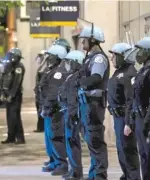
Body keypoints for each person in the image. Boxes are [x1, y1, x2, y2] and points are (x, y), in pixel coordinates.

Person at [127, 36, 150, 180]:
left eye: (140, 50)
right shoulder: (143, 71)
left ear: (149, 52)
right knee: (144, 155)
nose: (137, 54)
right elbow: (135, 98)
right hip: (140, 119)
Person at [77, 24, 109, 180]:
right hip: (87, 105)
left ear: (92, 40)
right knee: (91, 141)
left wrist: (80, 81)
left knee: (95, 141)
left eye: (84, 40)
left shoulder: (98, 58)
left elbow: (96, 78)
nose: (82, 43)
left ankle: (99, 176)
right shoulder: (89, 58)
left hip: (94, 106)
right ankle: (93, 175)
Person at [107, 43, 141, 180]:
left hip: (124, 118)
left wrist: (128, 122)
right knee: (121, 149)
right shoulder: (120, 71)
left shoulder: (129, 74)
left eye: (114, 55)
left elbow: (130, 100)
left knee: (128, 150)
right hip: (118, 117)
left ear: (123, 56)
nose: (111, 58)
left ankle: (133, 177)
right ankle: (126, 175)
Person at [40, 45, 69, 175]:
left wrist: (47, 106)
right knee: (49, 138)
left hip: (54, 110)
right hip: (48, 109)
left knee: (55, 137)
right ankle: (53, 161)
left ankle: (61, 164)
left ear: (57, 58)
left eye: (51, 55)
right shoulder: (52, 70)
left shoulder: (58, 72)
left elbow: (53, 92)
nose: (48, 58)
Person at [59, 50, 85, 180]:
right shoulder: (71, 76)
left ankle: (77, 173)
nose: (67, 65)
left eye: (69, 62)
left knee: (73, 143)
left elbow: (74, 98)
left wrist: (72, 115)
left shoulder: (77, 77)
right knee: (70, 143)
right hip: (67, 112)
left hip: (72, 114)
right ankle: (73, 169)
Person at [0, 48, 26, 144]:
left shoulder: (19, 67)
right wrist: (2, 93)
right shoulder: (8, 66)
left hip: (15, 96)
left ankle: (20, 137)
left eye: (13, 56)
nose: (12, 58)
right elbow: (2, 79)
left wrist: (11, 95)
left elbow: (17, 83)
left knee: (14, 117)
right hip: (7, 94)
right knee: (9, 117)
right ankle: (11, 137)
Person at [34, 50, 47, 133]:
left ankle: (42, 127)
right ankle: (40, 127)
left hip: (43, 93)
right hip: (39, 93)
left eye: (41, 57)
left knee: (42, 109)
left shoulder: (45, 68)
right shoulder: (41, 67)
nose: (39, 59)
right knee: (39, 109)